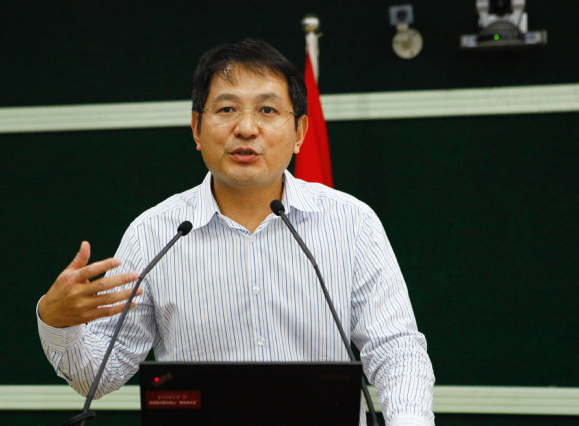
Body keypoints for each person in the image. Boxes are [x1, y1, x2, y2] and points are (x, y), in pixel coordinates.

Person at [38, 39, 435, 425]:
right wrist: (57, 321)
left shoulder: (351, 223)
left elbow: (395, 349)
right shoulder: (154, 235)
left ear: (300, 132)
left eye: (267, 110)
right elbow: (98, 377)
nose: (246, 128)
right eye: (226, 109)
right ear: (197, 128)